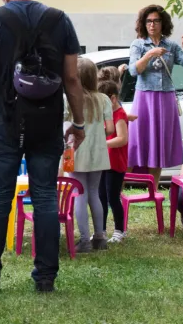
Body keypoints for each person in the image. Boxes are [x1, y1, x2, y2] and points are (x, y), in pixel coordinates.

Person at [0, 0, 84, 293]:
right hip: (47, 120)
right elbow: (73, 77)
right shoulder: (59, 20)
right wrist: (77, 122)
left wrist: (3, 78)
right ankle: (45, 278)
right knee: (46, 196)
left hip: (5, 120)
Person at [127, 4, 183, 184]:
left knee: (159, 143)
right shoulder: (138, 44)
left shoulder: (171, 45)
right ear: (143, 24)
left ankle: (154, 188)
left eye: (156, 20)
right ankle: (119, 188)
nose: (152, 25)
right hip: (144, 97)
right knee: (137, 141)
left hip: (165, 97)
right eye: (148, 21)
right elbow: (134, 70)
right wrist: (150, 54)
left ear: (162, 23)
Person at [69, 58, 114, 253]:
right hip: (99, 153)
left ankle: (85, 241)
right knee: (94, 193)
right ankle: (100, 237)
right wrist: (98, 135)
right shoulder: (103, 99)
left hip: (77, 153)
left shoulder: (70, 97)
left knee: (80, 194)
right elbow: (110, 128)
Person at [97, 79, 129, 244]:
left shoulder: (120, 115)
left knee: (112, 197)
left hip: (115, 163)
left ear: (113, 99)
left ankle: (119, 230)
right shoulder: (107, 115)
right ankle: (100, 230)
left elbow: (122, 139)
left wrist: (102, 143)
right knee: (101, 196)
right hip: (104, 161)